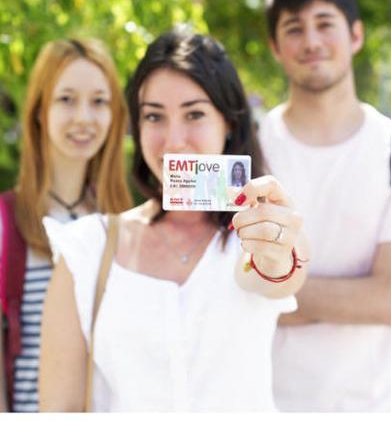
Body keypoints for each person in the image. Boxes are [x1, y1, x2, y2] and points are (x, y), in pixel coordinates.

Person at [37, 30, 309, 412]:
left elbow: (278, 274)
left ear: (228, 122)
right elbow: (57, 409)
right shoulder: (87, 247)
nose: (173, 139)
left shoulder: (259, 232)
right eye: (154, 116)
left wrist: (278, 258)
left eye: (194, 113)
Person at [259, 0, 391, 411]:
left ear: (355, 35)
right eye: (294, 29)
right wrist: (358, 295)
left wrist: (271, 293)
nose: (312, 42)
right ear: (275, 47)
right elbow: (223, 291)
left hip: (375, 406)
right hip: (261, 404)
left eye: (324, 24)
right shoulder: (246, 153)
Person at [0, 39, 132, 412]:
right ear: (40, 110)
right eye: (66, 99)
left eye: (99, 101)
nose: (83, 118)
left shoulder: (126, 225)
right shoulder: (6, 223)